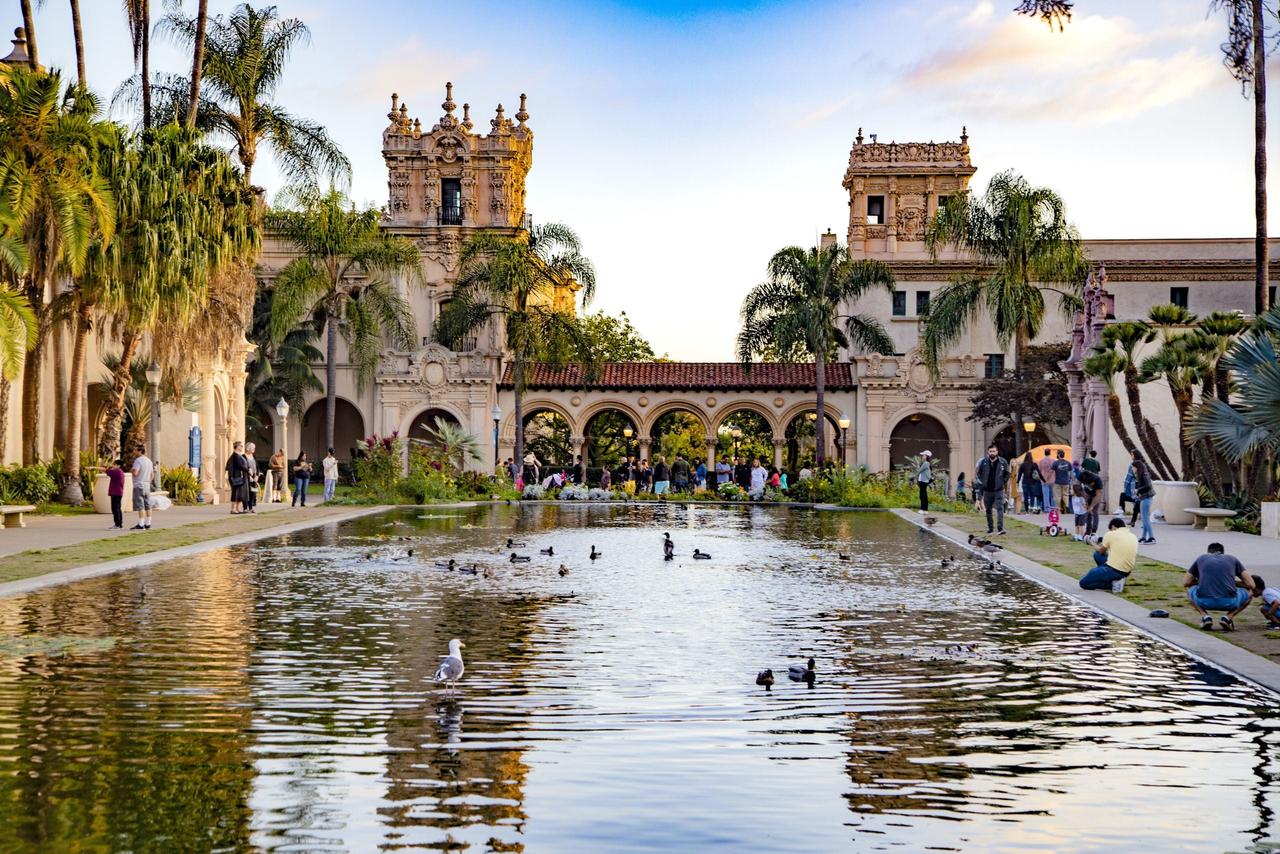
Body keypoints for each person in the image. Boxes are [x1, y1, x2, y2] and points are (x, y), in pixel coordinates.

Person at [1184, 543, 1255, 631]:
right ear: (1223, 552)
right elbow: (1252, 584)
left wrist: (1202, 581)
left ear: (1208, 552)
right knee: (1250, 592)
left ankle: (1205, 617)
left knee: (1189, 590)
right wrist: (1233, 582)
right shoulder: (1233, 559)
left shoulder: (1201, 558)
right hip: (1230, 602)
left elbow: (1186, 582)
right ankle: (1228, 617)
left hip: (1204, 602)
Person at [1080, 517, 1138, 591]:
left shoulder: (1111, 534)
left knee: (1083, 583)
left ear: (1113, 526)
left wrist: (1090, 542)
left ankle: (1113, 584)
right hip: (1126, 571)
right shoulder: (1133, 536)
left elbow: (1101, 551)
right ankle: (1109, 577)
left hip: (1115, 570)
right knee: (1097, 555)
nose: (1110, 531)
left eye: (1110, 529)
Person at [975, 444, 1009, 535]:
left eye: (994, 451)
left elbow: (1007, 473)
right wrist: (979, 495)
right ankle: (990, 528)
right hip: (987, 490)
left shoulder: (1003, 462)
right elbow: (979, 475)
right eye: (991, 451)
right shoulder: (983, 462)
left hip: (998, 490)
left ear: (997, 452)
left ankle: (1000, 528)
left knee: (1000, 508)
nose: (992, 453)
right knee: (988, 510)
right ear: (988, 452)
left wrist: (1003, 482)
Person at [1132, 449, 1156, 543]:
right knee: (1144, 518)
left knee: (1145, 519)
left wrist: (1138, 490)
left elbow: (1148, 486)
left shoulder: (1143, 475)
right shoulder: (1141, 474)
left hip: (1147, 497)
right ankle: (1143, 537)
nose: (1132, 469)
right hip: (1144, 497)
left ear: (1137, 467)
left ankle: (1151, 538)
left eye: (1133, 467)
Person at [129, 443, 155, 530]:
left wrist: (131, 470)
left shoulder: (138, 460)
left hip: (138, 485)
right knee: (148, 505)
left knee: (140, 506)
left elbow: (135, 473)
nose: (134, 452)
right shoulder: (149, 461)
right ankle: (148, 523)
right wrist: (146, 481)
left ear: (140, 451)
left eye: (136, 450)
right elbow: (152, 476)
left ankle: (141, 524)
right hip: (147, 485)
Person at [1077, 466, 1103, 538]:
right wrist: (1084, 499)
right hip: (1087, 494)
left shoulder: (1098, 480)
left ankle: (1094, 531)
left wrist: (1091, 506)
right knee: (1087, 512)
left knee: (1094, 511)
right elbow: (1077, 487)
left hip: (1095, 495)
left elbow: (1098, 495)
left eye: (1091, 484)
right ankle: (1088, 531)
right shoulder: (1081, 475)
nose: (1090, 485)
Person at [225, 441, 250, 514]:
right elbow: (241, 466)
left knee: (240, 494)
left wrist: (248, 469)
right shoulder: (235, 456)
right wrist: (248, 470)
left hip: (240, 477)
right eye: (241, 446)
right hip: (236, 477)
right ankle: (233, 509)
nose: (242, 447)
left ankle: (237, 508)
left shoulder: (240, 455)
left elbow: (244, 465)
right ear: (237, 447)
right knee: (235, 493)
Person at [106, 458, 126, 530]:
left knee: (115, 509)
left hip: (116, 493)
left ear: (118, 465)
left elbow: (105, 470)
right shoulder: (120, 472)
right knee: (117, 508)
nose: (113, 466)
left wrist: (93, 468)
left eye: (114, 464)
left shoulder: (117, 472)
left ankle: (117, 525)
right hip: (118, 492)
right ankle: (119, 524)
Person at [1037, 448, 1055, 516]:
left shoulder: (1041, 461)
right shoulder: (1054, 461)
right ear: (1050, 453)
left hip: (1044, 480)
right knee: (1053, 496)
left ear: (1044, 453)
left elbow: (1039, 471)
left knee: (1046, 495)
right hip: (1053, 480)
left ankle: (1047, 509)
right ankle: (1053, 508)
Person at [244, 442, 260, 514]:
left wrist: (257, 476)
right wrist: (249, 476)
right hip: (246, 476)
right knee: (246, 492)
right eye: (252, 448)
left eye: (254, 448)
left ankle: (251, 507)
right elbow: (244, 467)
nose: (254, 449)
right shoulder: (243, 456)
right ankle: (245, 507)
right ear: (248, 448)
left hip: (254, 477)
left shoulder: (254, 456)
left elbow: (257, 467)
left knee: (253, 492)